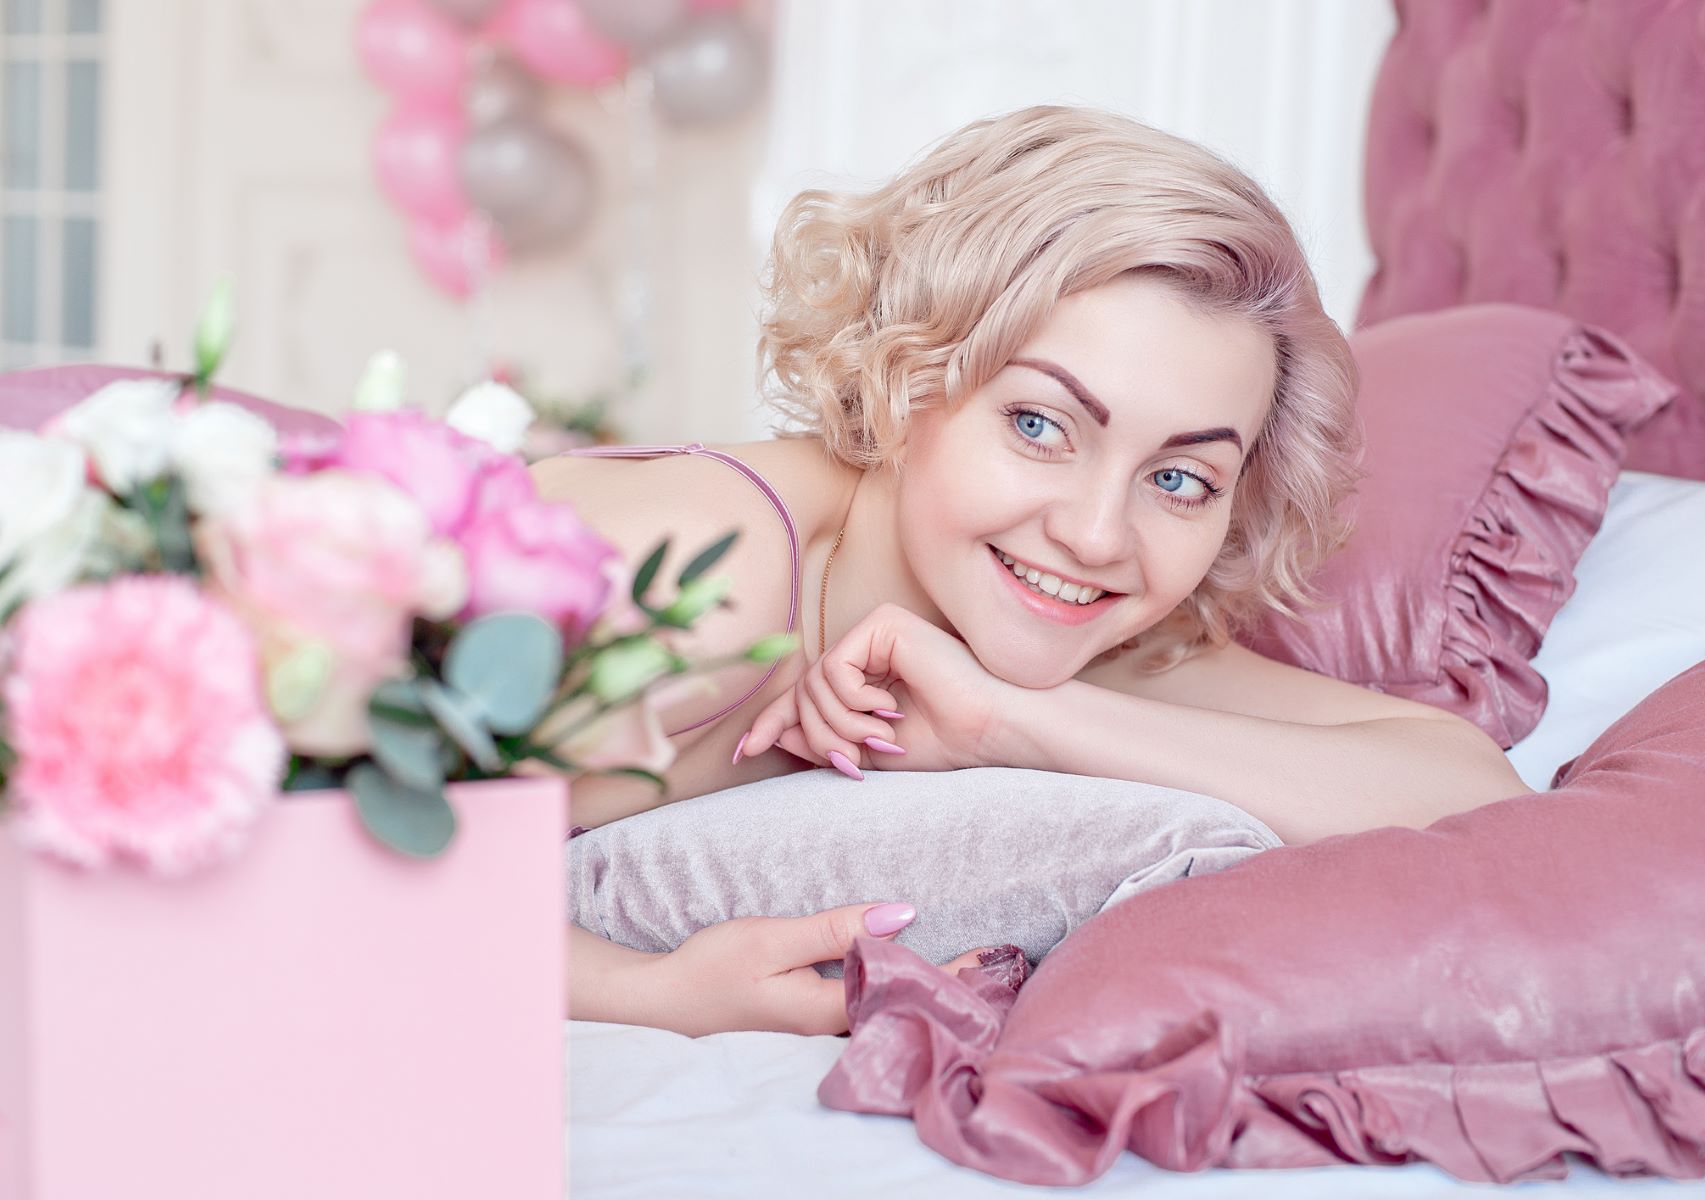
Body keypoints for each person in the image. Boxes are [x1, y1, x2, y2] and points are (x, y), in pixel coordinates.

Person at [534, 105, 1533, 1038]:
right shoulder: (705, 575)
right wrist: (649, 996)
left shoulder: (1071, 626)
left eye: (1180, 477)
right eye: (1040, 424)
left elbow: (1472, 794)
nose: (1099, 535)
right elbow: (377, 830)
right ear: (906, 375)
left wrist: (1005, 722)